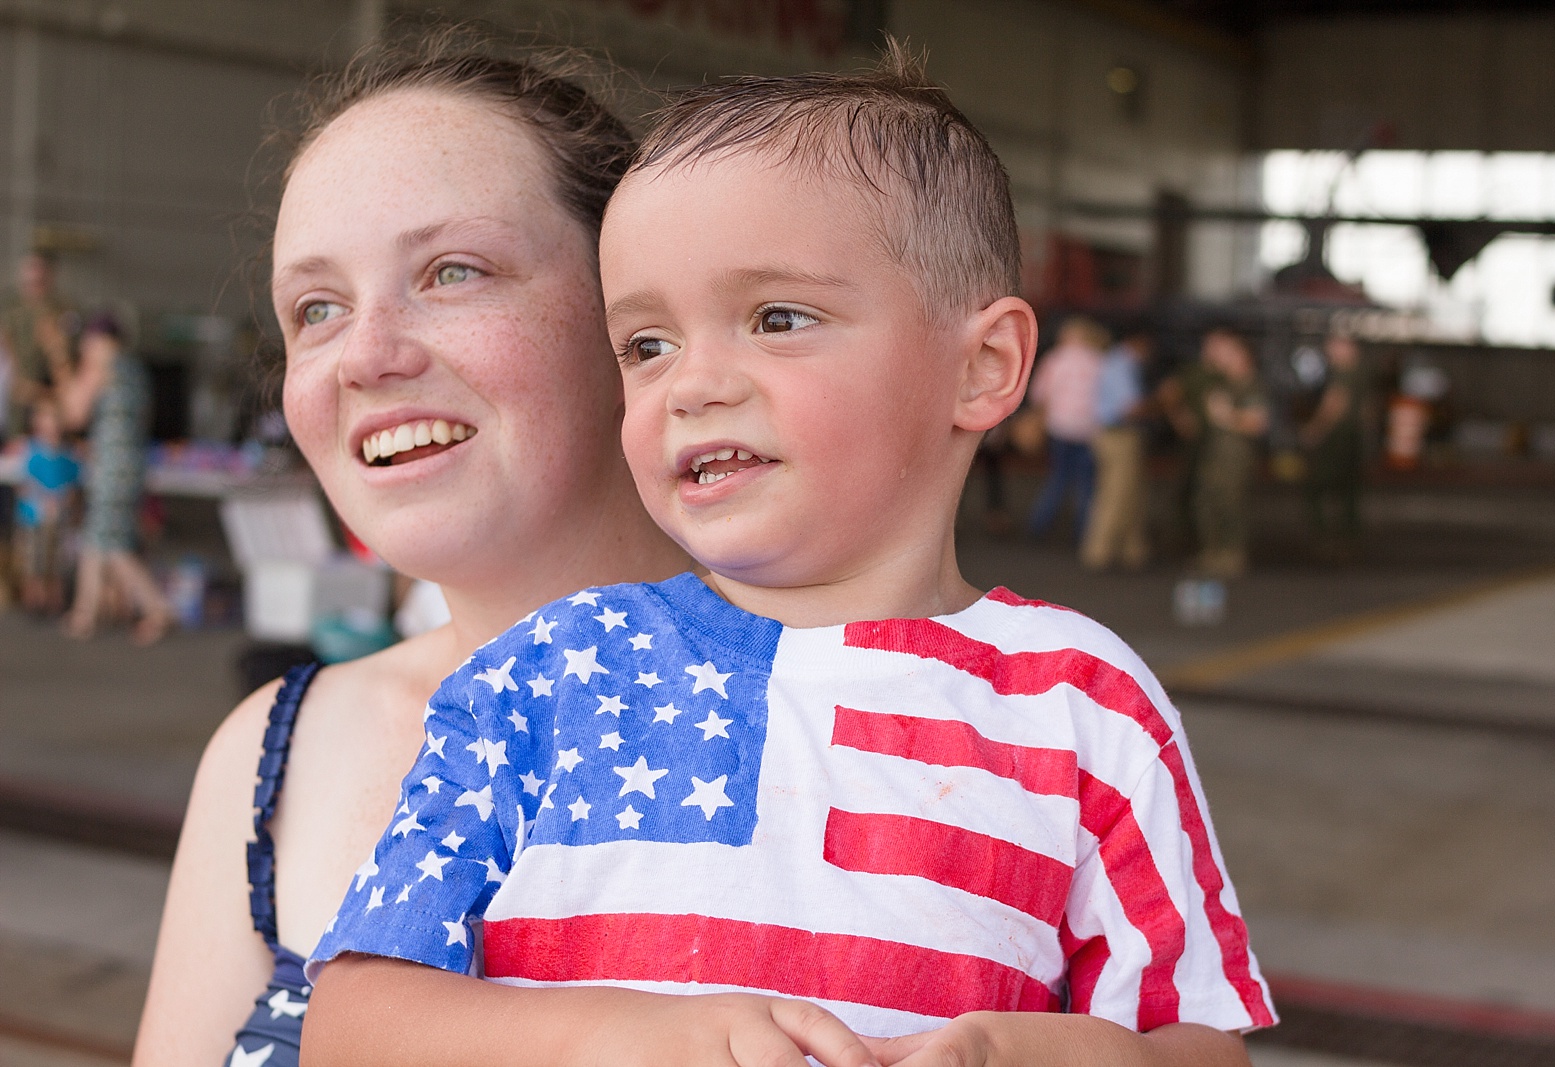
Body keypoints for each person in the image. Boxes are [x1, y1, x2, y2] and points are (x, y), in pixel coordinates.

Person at [302, 51, 1275, 1067]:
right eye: (645, 344)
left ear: (982, 368)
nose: (693, 384)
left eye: (776, 318)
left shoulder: (1086, 708)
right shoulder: (541, 673)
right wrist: (616, 1035)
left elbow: (1198, 1044)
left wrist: (1031, 1052)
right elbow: (351, 1023)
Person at [130, 36, 691, 1067]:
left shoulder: (892, 723)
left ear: (634, 319)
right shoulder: (276, 756)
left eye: (453, 271)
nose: (368, 354)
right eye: (317, 308)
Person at [43, 313, 174, 643]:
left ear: (98, 340)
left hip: (110, 466)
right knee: (99, 536)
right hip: (133, 462)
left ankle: (158, 609)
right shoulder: (135, 369)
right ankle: (85, 614)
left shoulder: (100, 367)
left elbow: (73, 413)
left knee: (112, 543)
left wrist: (59, 358)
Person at [1181, 329, 1267, 580]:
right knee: (1207, 501)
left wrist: (1227, 416)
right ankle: (1213, 552)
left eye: (1230, 353)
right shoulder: (1220, 382)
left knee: (1230, 503)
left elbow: (1258, 422)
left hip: (1235, 454)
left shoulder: (1249, 383)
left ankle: (1231, 554)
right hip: (1216, 453)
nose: (1224, 358)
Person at [1025, 317, 1105, 544]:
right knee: (1087, 484)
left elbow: (1039, 395)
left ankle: (1038, 527)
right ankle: (1083, 534)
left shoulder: (1054, 360)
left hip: (1059, 427)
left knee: (1058, 478)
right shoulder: (1099, 361)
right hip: (1089, 430)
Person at [1080, 328, 1152, 571]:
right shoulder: (1122, 365)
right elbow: (1129, 407)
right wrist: (1160, 403)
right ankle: (1098, 552)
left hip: (1108, 433)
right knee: (1118, 494)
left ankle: (1133, 551)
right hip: (1118, 434)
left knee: (1128, 492)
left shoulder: (1113, 361)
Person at [12, 395, 80, 614]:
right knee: (33, 559)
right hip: (33, 515)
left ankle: (54, 600)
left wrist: (63, 501)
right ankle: (34, 599)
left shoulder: (68, 455)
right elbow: (22, 483)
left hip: (59, 517)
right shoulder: (29, 450)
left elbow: (73, 486)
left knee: (57, 561)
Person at [1300, 333, 1364, 556]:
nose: (1330, 351)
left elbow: (1335, 404)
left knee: (1316, 486)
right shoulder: (1361, 372)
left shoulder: (1344, 373)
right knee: (1349, 492)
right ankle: (1348, 539)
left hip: (1337, 441)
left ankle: (1327, 538)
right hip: (1353, 439)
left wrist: (1315, 430)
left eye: (1335, 345)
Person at [1, 250, 74, 440]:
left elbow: (67, 368)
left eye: (41, 275)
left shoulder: (61, 311)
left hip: (51, 404)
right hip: (13, 404)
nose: (35, 280)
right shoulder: (9, 308)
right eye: (30, 273)